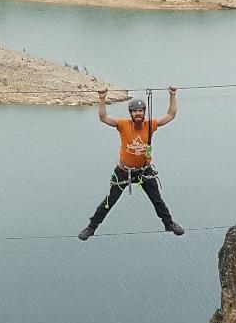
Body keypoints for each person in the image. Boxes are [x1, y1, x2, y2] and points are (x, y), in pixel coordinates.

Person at [78, 86, 183, 240]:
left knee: (157, 199)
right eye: (135, 111)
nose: (138, 113)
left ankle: (169, 223)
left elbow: (171, 115)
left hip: (144, 170)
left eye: (140, 111)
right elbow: (103, 117)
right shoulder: (123, 125)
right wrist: (102, 99)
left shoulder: (150, 125)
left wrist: (172, 95)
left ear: (144, 112)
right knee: (109, 201)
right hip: (123, 170)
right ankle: (91, 227)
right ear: (131, 114)